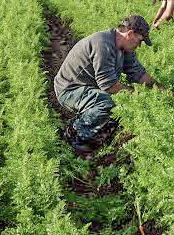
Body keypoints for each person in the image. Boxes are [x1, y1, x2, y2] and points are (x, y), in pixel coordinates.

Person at [54, 15, 158, 152]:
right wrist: (137, 93)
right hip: (69, 90)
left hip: (87, 88)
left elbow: (138, 73)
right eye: (140, 41)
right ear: (130, 34)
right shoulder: (103, 44)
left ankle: (95, 126)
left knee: (115, 99)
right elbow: (108, 85)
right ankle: (76, 132)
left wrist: (159, 88)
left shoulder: (124, 47)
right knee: (107, 101)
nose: (139, 45)